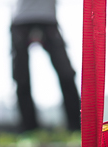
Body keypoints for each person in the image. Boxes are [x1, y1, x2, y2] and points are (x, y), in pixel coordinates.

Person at [10, 0, 80, 132]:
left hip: (47, 18)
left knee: (66, 75)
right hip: (22, 19)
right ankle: (29, 130)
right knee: (21, 77)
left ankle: (76, 128)